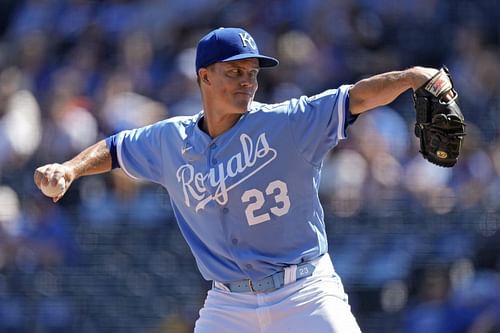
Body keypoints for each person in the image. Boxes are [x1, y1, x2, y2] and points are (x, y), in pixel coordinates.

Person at [34, 27, 453, 332]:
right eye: (234, 72)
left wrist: (414, 76)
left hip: (304, 291)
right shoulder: (170, 139)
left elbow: (356, 96)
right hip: (227, 303)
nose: (247, 81)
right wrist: (69, 169)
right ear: (204, 77)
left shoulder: (287, 123)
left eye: (252, 72)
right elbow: (116, 148)